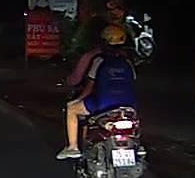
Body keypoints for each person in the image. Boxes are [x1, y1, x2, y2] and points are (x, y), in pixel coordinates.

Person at [57, 24, 137, 160]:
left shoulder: (99, 60)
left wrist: (78, 99)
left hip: (103, 104)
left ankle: (72, 147)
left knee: (71, 108)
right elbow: (131, 82)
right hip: (128, 105)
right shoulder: (128, 62)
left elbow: (89, 87)